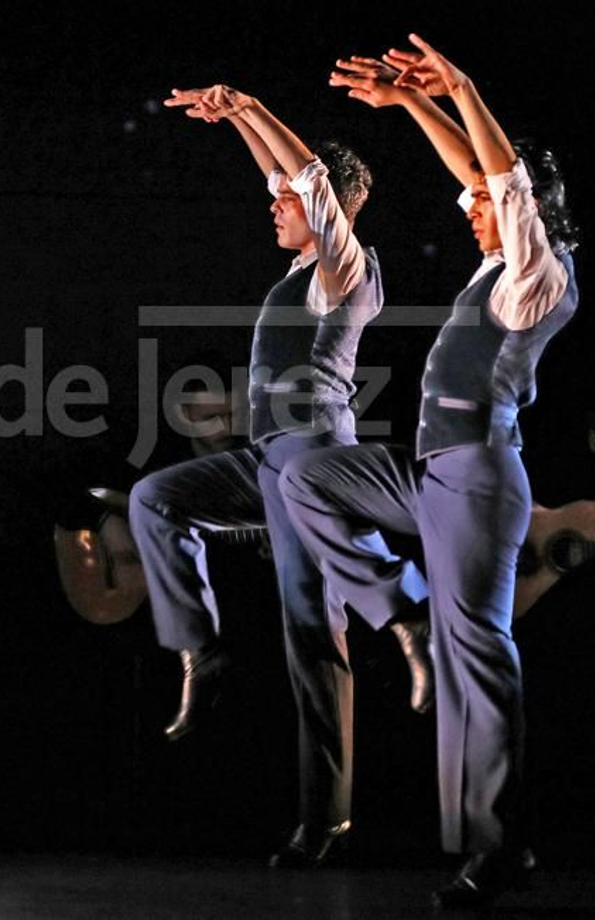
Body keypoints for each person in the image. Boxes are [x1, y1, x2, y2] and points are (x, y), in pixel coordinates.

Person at [286, 35, 581, 907]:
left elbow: (506, 184)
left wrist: (464, 88)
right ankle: (397, 608)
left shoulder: (538, 274)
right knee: (308, 478)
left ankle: (497, 844)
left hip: (482, 480)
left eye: (488, 203)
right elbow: (485, 180)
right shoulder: (497, 261)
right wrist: (416, 107)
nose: (471, 209)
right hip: (429, 475)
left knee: (478, 654)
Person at [128, 81, 423, 869]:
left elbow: (308, 188)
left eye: (287, 198)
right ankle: (202, 649)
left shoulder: (344, 269)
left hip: (315, 459)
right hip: (266, 457)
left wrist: (259, 105)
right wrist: (242, 120)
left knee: (309, 635)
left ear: (325, 204)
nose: (273, 205)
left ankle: (326, 816)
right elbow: (285, 179)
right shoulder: (301, 270)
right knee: (155, 498)